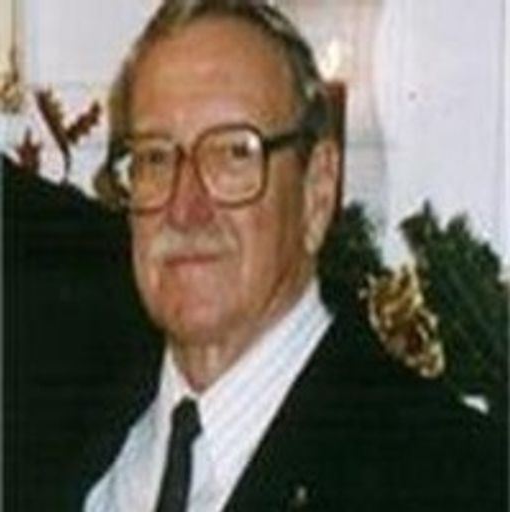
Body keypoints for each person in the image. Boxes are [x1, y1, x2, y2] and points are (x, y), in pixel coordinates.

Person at [83, 1, 505, 511]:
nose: (185, 208)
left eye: (235, 153)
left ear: (316, 193)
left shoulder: (453, 478)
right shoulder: (54, 431)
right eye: (154, 157)